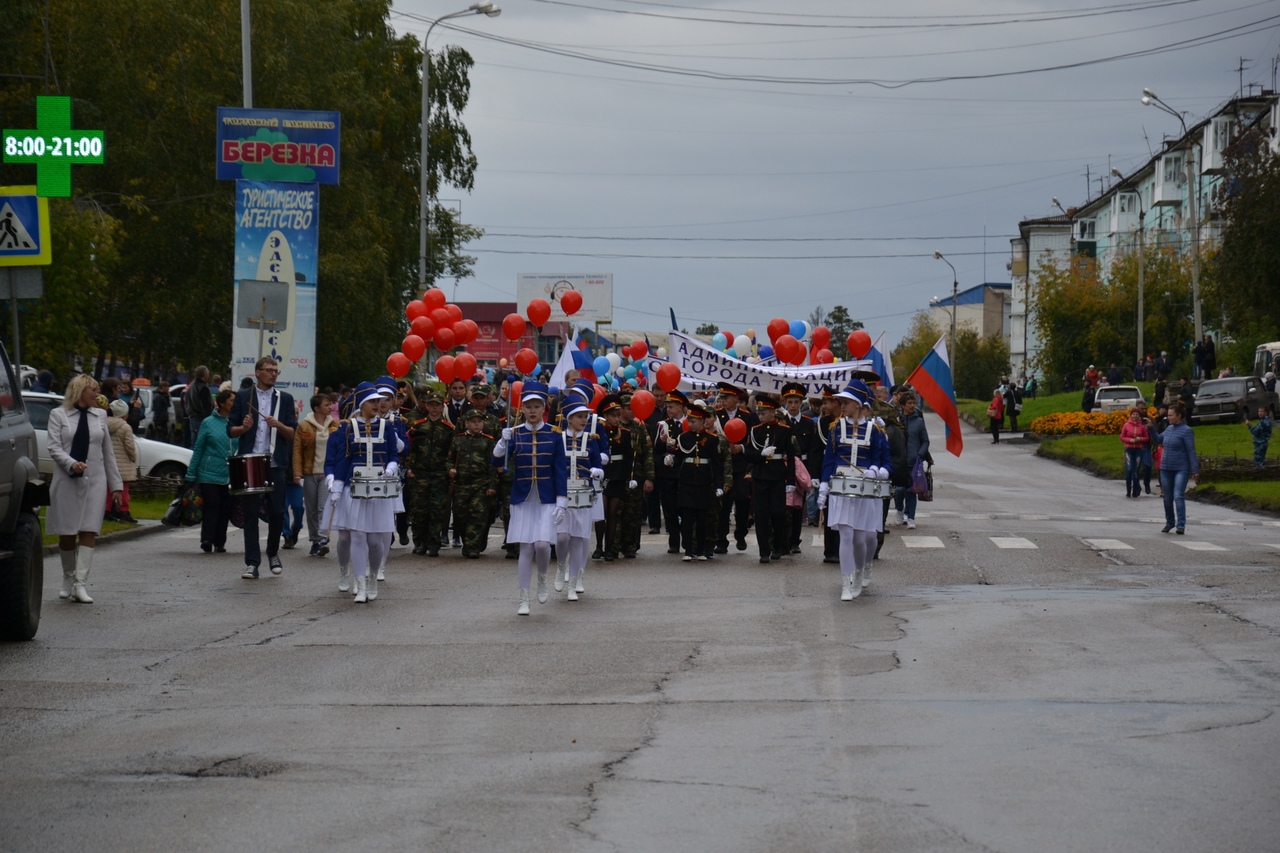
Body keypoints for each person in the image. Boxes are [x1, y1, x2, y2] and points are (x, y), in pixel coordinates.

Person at [492, 381, 569, 615]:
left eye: (537, 406)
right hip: (523, 499)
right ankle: (523, 597)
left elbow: (560, 470)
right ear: (521, 409)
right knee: (526, 547)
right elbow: (496, 462)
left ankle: (543, 577)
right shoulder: (514, 433)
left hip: (546, 498)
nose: (532, 410)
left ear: (544, 406)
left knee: (543, 545)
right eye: (528, 406)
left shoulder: (555, 435)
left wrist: (562, 501)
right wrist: (501, 443)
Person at [47, 375, 123, 604]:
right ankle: (68, 578)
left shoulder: (100, 415)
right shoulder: (58, 415)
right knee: (67, 530)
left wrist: (116, 485)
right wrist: (71, 463)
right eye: (94, 390)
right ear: (80, 391)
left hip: (95, 480)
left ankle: (81, 584)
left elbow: (108, 453)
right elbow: (53, 447)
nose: (98, 395)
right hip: (67, 478)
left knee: (89, 529)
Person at [324, 382, 404, 603]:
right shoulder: (347, 428)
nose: (378, 405)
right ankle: (359, 582)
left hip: (379, 488)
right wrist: (336, 485)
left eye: (379, 401)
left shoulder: (387, 427)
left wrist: (390, 468)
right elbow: (342, 460)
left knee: (376, 540)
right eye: (373, 401)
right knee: (357, 535)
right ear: (361, 404)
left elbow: (393, 454)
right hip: (354, 487)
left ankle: (371, 577)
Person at [817, 379, 891, 601]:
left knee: (862, 539)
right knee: (846, 535)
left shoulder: (876, 430)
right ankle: (846, 581)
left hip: (865, 489)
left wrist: (876, 472)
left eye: (846, 402)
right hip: (841, 486)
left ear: (857, 404)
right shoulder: (835, 428)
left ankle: (861, 570)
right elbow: (829, 460)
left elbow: (884, 461)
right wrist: (823, 487)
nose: (842, 406)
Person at [227, 356, 297, 579]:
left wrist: (279, 425)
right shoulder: (244, 397)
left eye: (276, 370)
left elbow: (291, 433)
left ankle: (273, 552)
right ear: (257, 373)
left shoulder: (284, 399)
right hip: (250, 459)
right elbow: (231, 430)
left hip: (275, 462)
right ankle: (252, 563)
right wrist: (243, 427)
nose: (273, 374)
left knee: (277, 511)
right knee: (250, 514)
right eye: (269, 370)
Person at [554, 398, 606, 598]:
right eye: (579, 416)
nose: (584, 420)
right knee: (562, 537)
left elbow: (598, 466)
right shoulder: (558, 439)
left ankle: (575, 581)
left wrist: (596, 471)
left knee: (578, 539)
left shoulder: (591, 440)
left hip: (584, 494)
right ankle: (561, 567)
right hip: (562, 494)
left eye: (585, 416)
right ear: (569, 418)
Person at [743, 394, 794, 564]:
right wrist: (760, 454)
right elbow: (749, 454)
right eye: (759, 412)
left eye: (764, 412)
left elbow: (791, 457)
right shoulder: (755, 430)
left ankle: (777, 546)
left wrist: (791, 481)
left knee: (778, 513)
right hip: (761, 475)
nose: (761, 415)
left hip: (778, 474)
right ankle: (764, 550)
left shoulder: (784, 430)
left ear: (773, 412)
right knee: (761, 514)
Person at [673, 400, 725, 562]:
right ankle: (688, 549)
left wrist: (718, 485)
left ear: (702, 422)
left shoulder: (711, 439)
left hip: (703, 482)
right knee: (687, 517)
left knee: (702, 518)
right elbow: (678, 457)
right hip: (687, 481)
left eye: (694, 421)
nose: (691, 424)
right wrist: (670, 459)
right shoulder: (683, 438)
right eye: (689, 421)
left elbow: (716, 464)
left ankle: (701, 550)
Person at [405, 388, 454, 556]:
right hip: (420, 474)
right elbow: (412, 449)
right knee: (419, 511)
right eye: (431, 405)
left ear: (442, 407)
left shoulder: (448, 429)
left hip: (439, 474)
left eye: (437, 405)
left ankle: (434, 544)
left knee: (436, 511)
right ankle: (419, 542)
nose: (434, 408)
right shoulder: (418, 426)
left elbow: (451, 452)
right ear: (426, 406)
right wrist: (410, 468)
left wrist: (449, 471)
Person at [187, 390, 236, 553]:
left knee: (226, 508)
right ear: (222, 403)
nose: (234, 404)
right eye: (231, 401)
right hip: (209, 472)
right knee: (212, 505)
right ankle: (207, 539)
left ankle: (220, 541)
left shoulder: (238, 422)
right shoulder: (208, 422)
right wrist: (191, 473)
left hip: (230, 473)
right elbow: (199, 448)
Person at [293, 393, 339, 557]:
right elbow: (297, 450)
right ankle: (314, 540)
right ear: (317, 408)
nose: (330, 407)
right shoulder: (304, 426)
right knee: (311, 509)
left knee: (322, 508)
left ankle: (321, 540)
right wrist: (297, 473)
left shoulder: (334, 425)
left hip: (327, 474)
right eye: (326, 405)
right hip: (309, 472)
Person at [450, 408, 499, 559]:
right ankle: (467, 542)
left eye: (479, 422)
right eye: (473, 422)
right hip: (462, 484)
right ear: (466, 424)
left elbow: (492, 465)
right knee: (460, 514)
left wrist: (492, 486)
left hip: (480, 483)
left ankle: (473, 547)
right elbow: (450, 459)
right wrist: (450, 469)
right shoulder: (458, 440)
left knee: (478, 515)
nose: (477, 425)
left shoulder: (488, 441)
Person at [714, 383, 758, 553]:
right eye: (721, 397)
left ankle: (741, 533)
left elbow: (753, 443)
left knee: (742, 499)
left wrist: (742, 448)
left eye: (726, 397)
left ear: (735, 399)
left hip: (741, 466)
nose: (722, 400)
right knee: (723, 503)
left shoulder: (748, 417)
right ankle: (721, 539)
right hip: (722, 466)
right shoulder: (717, 417)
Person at [781, 382, 821, 550]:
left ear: (801, 403)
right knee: (784, 505)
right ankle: (783, 540)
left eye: (796, 402)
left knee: (798, 505)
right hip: (784, 466)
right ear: (785, 403)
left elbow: (813, 449)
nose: (793, 406)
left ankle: (794, 540)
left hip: (802, 466)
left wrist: (813, 473)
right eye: (789, 402)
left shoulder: (808, 423)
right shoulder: (781, 421)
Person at [617, 392, 655, 559]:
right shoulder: (615, 426)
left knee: (633, 512)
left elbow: (648, 453)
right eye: (627, 408)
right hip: (618, 476)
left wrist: (649, 477)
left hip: (636, 476)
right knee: (616, 512)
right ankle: (613, 543)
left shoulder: (639, 427)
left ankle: (631, 545)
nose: (631, 411)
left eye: (633, 408)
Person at [1152, 402, 1198, 534]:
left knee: (1178, 495)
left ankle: (1181, 525)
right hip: (1166, 468)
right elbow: (1157, 439)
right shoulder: (1169, 429)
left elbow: (1191, 450)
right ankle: (1170, 522)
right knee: (1167, 498)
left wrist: (1194, 469)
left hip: (1181, 468)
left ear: (1179, 416)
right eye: (1168, 415)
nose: (1168, 418)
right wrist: (1150, 428)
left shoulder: (1187, 431)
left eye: (1171, 415)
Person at [653, 389, 688, 555]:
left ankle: (688, 541)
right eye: (667, 407)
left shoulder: (689, 423)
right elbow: (656, 451)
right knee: (670, 508)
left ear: (681, 407)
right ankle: (674, 542)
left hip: (685, 472)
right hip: (668, 474)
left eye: (672, 407)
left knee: (687, 509)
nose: (669, 410)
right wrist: (662, 444)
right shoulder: (663, 425)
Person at [894, 392, 930, 529]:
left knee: (911, 490)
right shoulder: (897, 421)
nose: (912, 406)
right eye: (909, 403)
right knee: (900, 490)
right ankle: (899, 510)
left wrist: (919, 455)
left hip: (913, 462)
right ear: (902, 405)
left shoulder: (919, 422)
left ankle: (911, 518)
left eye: (913, 403)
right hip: (899, 462)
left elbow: (925, 441)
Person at [104, 399, 139, 524]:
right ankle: (123, 510)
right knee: (123, 489)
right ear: (125, 414)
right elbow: (129, 446)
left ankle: (106, 510)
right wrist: (133, 457)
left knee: (108, 488)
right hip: (123, 463)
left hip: (108, 462)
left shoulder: (104, 424)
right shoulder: (125, 427)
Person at [1120, 407, 1150, 498]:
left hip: (1138, 450)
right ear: (1131, 415)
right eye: (1133, 414)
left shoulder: (1143, 426)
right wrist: (1130, 440)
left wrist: (1140, 439)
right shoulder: (1126, 425)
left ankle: (1135, 490)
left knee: (1136, 470)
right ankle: (1128, 490)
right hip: (1129, 450)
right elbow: (1122, 437)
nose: (1135, 416)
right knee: (1129, 469)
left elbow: (1146, 438)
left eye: (1137, 414)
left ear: (1139, 416)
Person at [185, 366, 213, 449]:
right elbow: (206, 407)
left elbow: (186, 403)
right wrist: (210, 420)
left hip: (193, 418)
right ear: (205, 374)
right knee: (201, 446)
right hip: (201, 420)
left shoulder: (191, 386)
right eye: (208, 373)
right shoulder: (203, 388)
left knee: (194, 444)